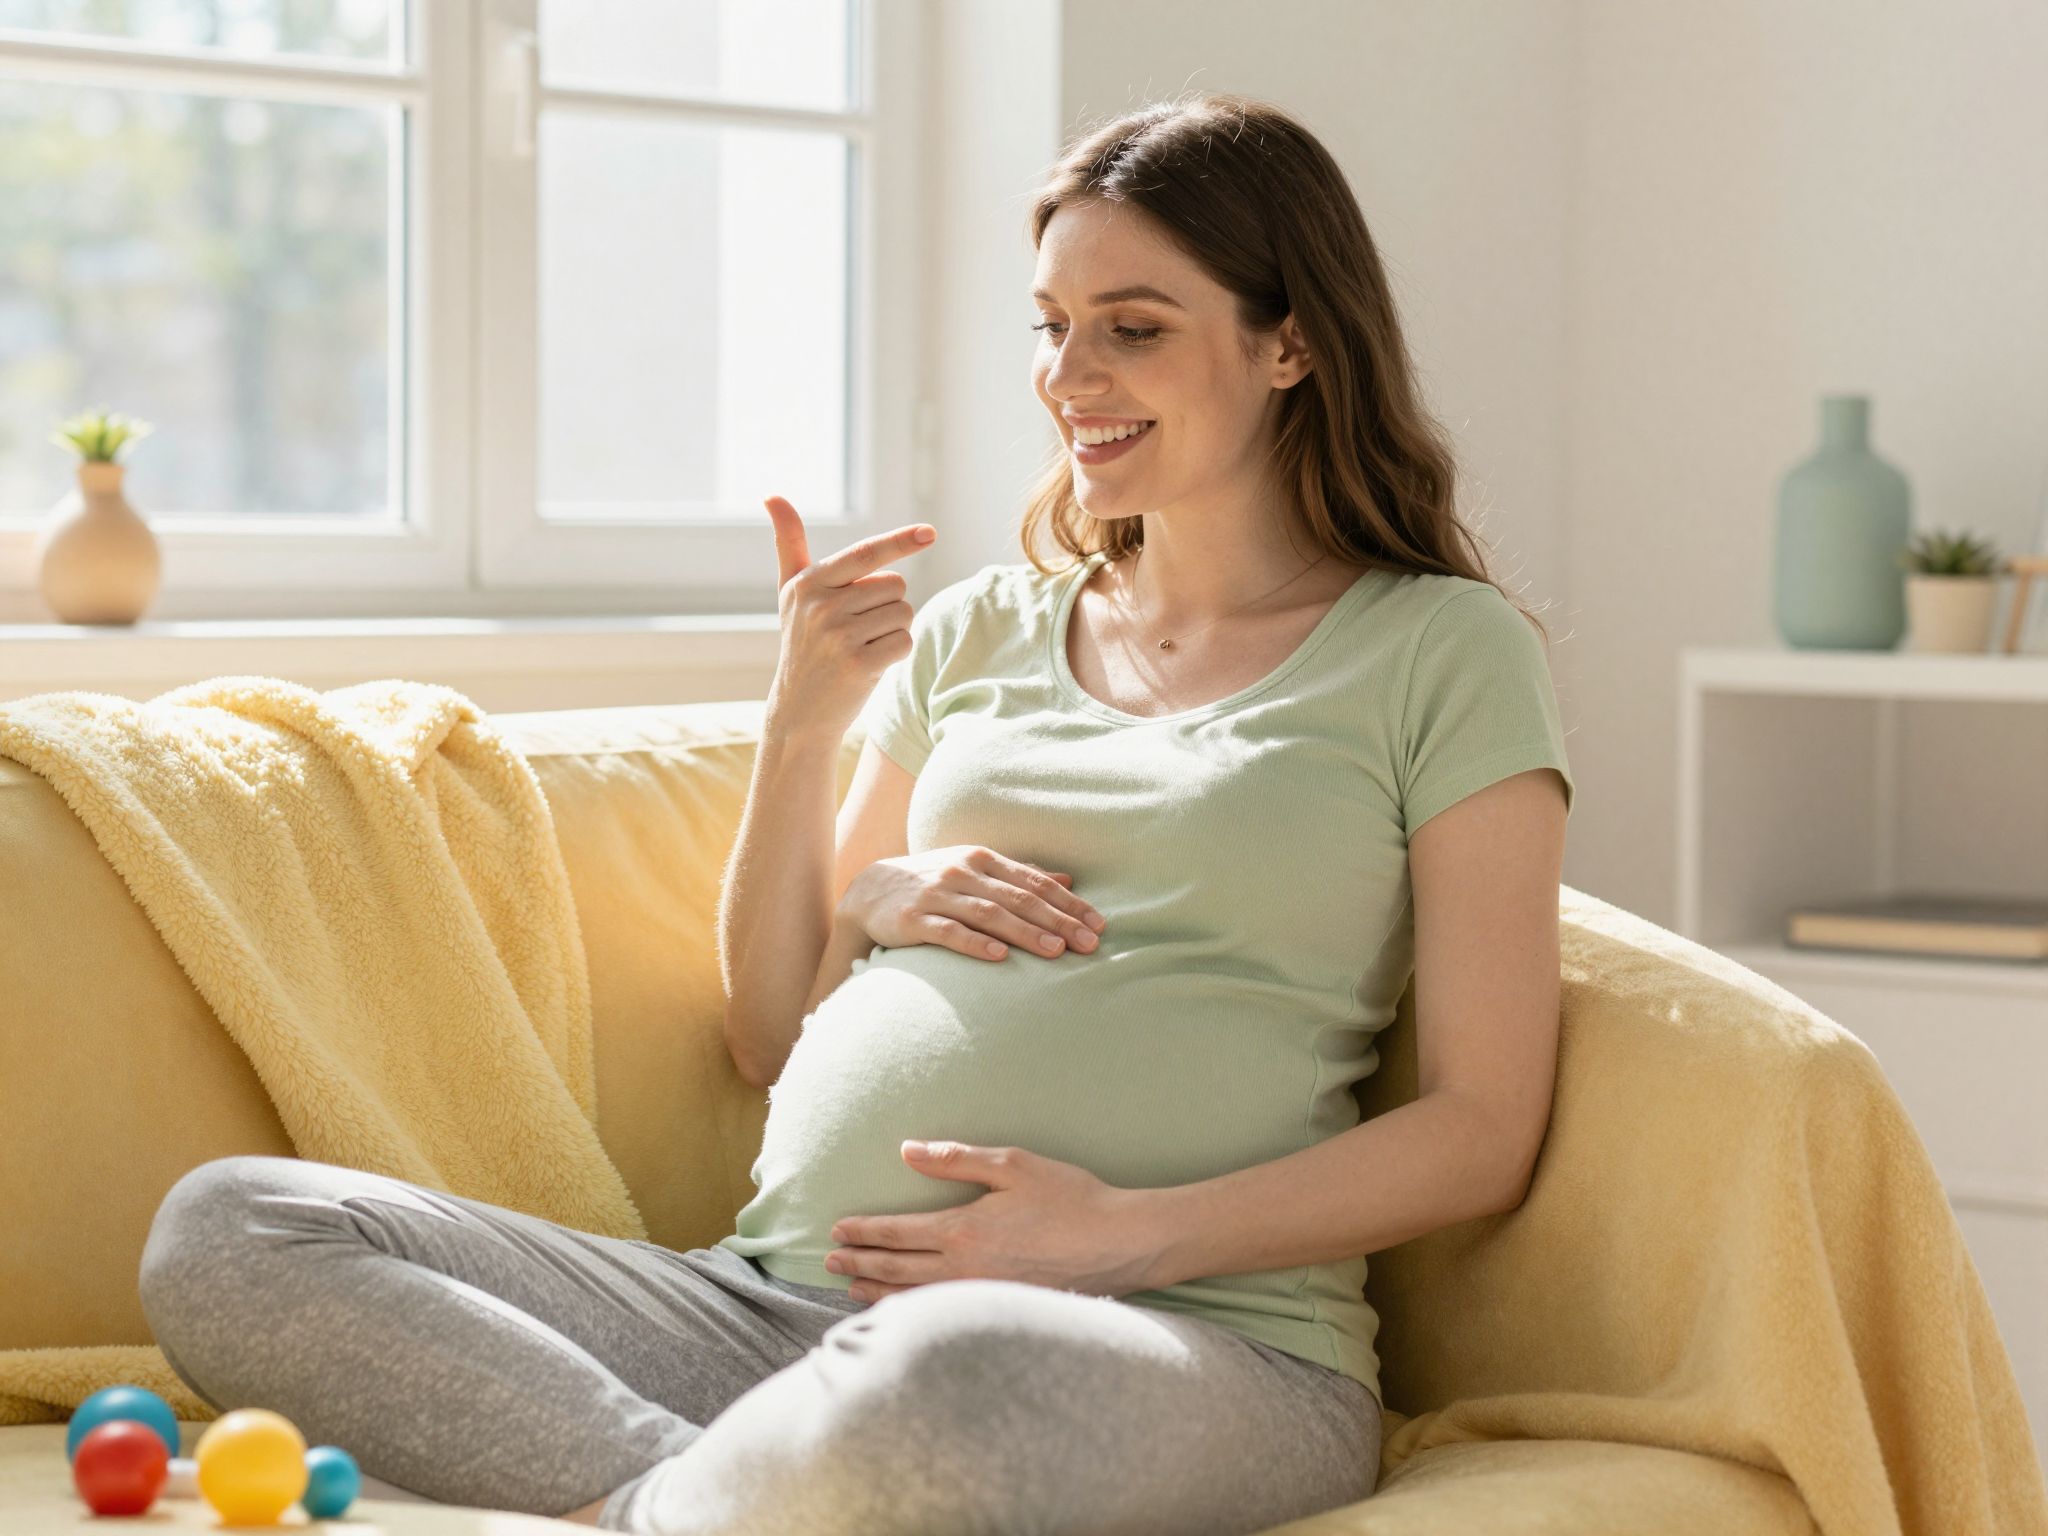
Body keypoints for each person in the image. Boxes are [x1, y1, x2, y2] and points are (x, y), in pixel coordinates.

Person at [138, 92, 1574, 1536]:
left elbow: (1481, 1124)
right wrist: (809, 740)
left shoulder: (1442, 651)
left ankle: (734, 1488)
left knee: (946, 1367)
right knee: (236, 1228)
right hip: (767, 1315)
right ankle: (683, 1498)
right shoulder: (978, 635)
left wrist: (1116, 1241)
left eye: (1133, 326)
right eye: (1049, 323)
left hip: (1184, 1340)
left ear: (1292, 344)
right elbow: (769, 1031)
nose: (1069, 373)